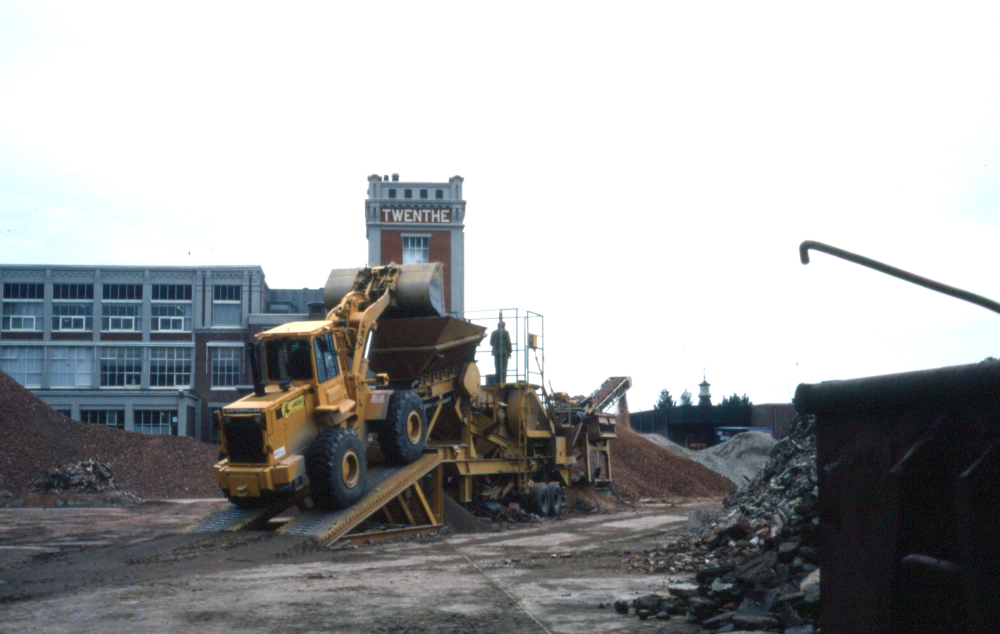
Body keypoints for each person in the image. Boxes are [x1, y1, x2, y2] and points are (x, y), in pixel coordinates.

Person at [490, 316, 512, 384]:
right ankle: (503, 381)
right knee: (504, 368)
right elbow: (508, 342)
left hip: (496, 352)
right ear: (504, 326)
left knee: (497, 367)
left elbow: (491, 343)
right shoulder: (506, 332)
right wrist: (510, 351)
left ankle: (497, 381)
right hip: (504, 352)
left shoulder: (493, 332)